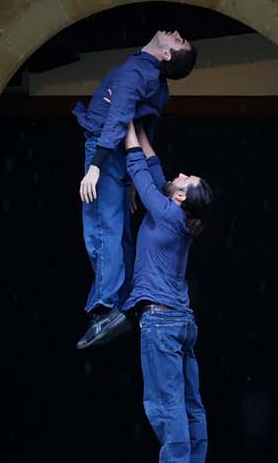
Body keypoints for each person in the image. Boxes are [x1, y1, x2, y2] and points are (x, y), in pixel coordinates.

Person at [73, 31, 198, 350]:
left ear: (167, 55)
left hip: (105, 146)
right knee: (118, 233)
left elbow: (119, 117)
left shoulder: (138, 71)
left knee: (102, 230)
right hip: (123, 155)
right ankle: (117, 302)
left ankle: (105, 308)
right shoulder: (158, 84)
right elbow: (143, 131)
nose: (176, 35)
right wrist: (130, 178)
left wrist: (96, 165)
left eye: (178, 41)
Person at [122, 121, 214, 463]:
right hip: (182, 320)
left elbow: (139, 172)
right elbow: (156, 170)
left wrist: (124, 120)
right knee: (190, 401)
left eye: (184, 179)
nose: (178, 174)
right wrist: (140, 128)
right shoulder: (176, 212)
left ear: (179, 197)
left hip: (160, 321)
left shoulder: (164, 212)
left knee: (165, 401)